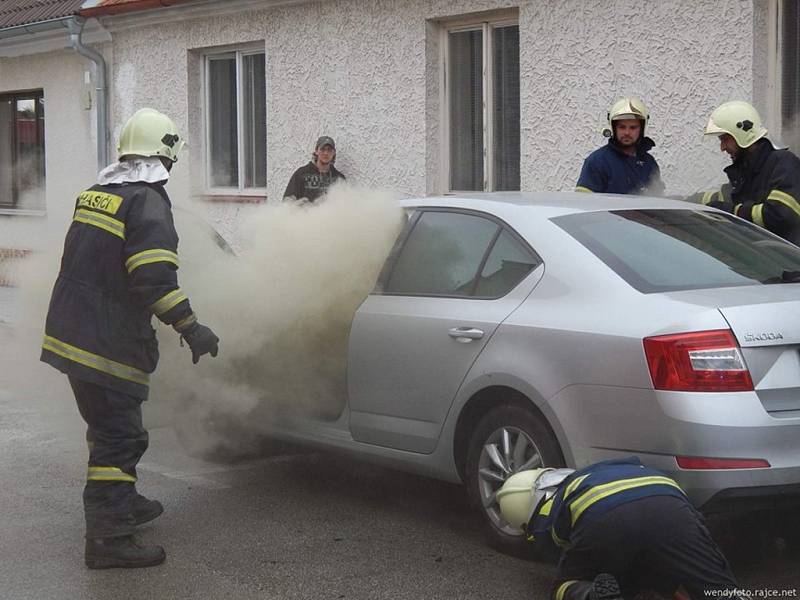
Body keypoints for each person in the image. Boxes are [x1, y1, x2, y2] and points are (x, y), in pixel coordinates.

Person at [40, 108, 220, 569]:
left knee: (111, 427)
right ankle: (108, 539)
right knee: (118, 438)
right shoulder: (148, 202)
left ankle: (125, 502)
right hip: (105, 340)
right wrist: (191, 327)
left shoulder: (97, 193)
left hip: (72, 331)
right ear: (166, 154)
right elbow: (154, 279)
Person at [496, 457, 742, 600]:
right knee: (715, 587)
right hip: (669, 503)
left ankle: (593, 595)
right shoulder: (595, 471)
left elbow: (572, 551)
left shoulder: (545, 515)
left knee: (563, 586)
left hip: (604, 517)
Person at [695, 100, 800, 245]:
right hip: (761, 261)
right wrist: (677, 201)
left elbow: (780, 215)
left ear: (742, 133)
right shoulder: (747, 171)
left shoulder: (783, 163)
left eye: (725, 139)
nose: (722, 147)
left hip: (789, 262)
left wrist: (734, 212)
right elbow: (721, 197)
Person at [576, 97, 665, 195]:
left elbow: (657, 200)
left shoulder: (649, 163)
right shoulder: (597, 162)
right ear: (614, 128)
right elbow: (584, 203)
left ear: (641, 129)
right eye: (622, 127)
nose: (627, 132)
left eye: (633, 127)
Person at [283, 135, 346, 203]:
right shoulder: (301, 174)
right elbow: (288, 202)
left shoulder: (339, 178)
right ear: (316, 151)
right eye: (323, 149)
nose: (326, 153)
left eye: (329, 150)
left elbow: (345, 204)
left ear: (334, 153)